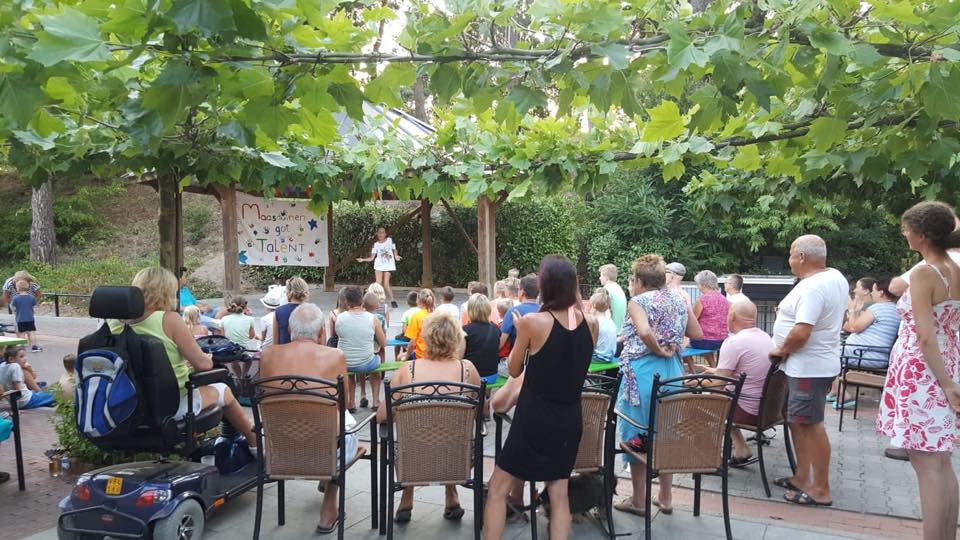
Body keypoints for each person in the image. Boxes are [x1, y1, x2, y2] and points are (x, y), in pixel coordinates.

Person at [484, 255, 599, 540]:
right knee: (559, 494)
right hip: (569, 417)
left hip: (534, 418)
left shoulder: (533, 322)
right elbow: (573, 351)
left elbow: (514, 369)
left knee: (497, 489)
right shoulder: (591, 323)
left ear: (546, 286)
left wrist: (522, 334)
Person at [877, 202, 960, 540]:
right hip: (947, 360)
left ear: (922, 235)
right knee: (941, 462)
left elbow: (926, 336)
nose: (905, 235)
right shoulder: (954, 267)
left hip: (923, 370)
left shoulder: (926, 272)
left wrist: (946, 384)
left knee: (926, 462)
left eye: (907, 230)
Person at [117, 267, 256, 446]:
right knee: (224, 390)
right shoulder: (169, 319)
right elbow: (203, 365)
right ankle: (256, 446)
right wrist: (207, 357)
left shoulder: (115, 323)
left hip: (129, 404)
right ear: (166, 291)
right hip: (170, 404)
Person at [614, 254, 703, 517]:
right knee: (667, 431)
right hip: (672, 372)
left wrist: (657, 348)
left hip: (642, 373)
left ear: (639, 280)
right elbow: (696, 333)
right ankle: (666, 497)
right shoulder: (678, 299)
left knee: (637, 436)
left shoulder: (638, 301)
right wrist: (672, 341)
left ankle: (639, 500)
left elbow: (643, 331)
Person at [376, 311, 482, 524]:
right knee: (450, 437)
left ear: (425, 337)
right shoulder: (467, 369)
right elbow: (483, 412)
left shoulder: (408, 370)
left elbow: (382, 417)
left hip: (412, 457)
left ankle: (407, 496)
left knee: (415, 440)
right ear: (456, 339)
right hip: (457, 457)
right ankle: (451, 494)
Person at [259, 302, 355, 535]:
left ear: (290, 330)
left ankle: (323, 475)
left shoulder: (268, 354)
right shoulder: (335, 355)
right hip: (323, 441)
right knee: (347, 429)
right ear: (322, 332)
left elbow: (263, 396)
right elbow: (344, 403)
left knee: (330, 424)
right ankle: (328, 507)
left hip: (280, 443)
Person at [768, 235, 848, 507]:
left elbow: (802, 332)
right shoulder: (835, 276)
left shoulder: (813, 287)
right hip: (812, 365)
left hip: (808, 368)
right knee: (797, 421)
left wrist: (781, 350)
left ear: (801, 257)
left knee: (811, 425)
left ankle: (821, 489)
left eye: (791, 254)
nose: (789, 260)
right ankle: (802, 477)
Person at [697, 300, 771, 466]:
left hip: (748, 411)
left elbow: (718, 384)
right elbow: (744, 372)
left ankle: (711, 459)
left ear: (732, 316)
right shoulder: (765, 337)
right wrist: (715, 371)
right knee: (721, 399)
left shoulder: (734, 342)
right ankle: (740, 448)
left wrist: (695, 383)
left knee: (699, 404)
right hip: (767, 409)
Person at [828, 278, 901, 408]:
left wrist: (853, 311)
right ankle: (835, 391)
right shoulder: (896, 309)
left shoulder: (878, 308)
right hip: (876, 354)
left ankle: (843, 395)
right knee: (834, 352)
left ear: (881, 292)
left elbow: (854, 327)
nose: (872, 293)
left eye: (874, 290)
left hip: (866, 354)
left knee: (827, 354)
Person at [336, 286, 386, 410]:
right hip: (367, 362)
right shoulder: (372, 318)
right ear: (362, 301)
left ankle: (351, 402)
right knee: (376, 364)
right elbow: (383, 343)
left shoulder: (340, 318)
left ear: (346, 302)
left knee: (350, 372)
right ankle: (375, 400)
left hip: (346, 363)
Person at [462, 293, 501, 416]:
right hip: (492, 375)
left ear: (470, 310)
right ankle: (485, 403)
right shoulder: (495, 329)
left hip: (472, 377)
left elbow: (460, 356)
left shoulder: (465, 330)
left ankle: (474, 407)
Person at [356, 226, 402, 308]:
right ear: (377, 234)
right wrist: (362, 260)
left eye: (382, 232)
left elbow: (394, 249)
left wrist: (396, 256)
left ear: (385, 234)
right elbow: (372, 258)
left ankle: (393, 301)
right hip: (379, 265)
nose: (381, 234)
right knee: (378, 283)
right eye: (379, 232)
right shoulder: (375, 245)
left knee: (386, 284)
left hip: (388, 265)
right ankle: (369, 294)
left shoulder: (390, 240)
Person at [691, 270, 730, 352]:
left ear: (704, 285)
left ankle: (690, 362)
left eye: (698, 284)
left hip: (705, 341)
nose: (697, 286)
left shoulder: (702, 300)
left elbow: (692, 320)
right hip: (723, 340)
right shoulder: (724, 299)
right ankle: (712, 361)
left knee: (682, 346)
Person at [499, 274, 541, 349]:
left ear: (522, 292)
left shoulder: (513, 312)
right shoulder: (544, 311)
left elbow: (500, 343)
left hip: (518, 353)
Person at [221, 296, 258, 380]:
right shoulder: (249, 319)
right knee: (249, 360)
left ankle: (238, 377)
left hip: (231, 350)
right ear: (246, 307)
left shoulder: (224, 319)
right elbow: (251, 336)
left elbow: (223, 337)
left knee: (234, 361)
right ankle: (243, 376)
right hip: (244, 349)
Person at [273, 276, 310, 346]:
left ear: (289, 292)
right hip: (309, 352)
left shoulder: (279, 312)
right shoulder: (315, 312)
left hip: (285, 351)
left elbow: (275, 343)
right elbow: (321, 344)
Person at [403, 289, 434, 360]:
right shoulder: (437, 315)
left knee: (400, 357)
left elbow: (412, 344)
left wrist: (406, 357)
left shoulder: (416, 316)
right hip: (435, 355)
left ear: (418, 301)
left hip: (421, 355)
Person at [12, 280, 41, 352]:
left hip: (20, 319)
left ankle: (20, 347)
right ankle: (34, 347)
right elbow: (34, 305)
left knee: (22, 333)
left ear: (18, 288)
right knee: (32, 332)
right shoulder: (31, 297)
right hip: (30, 318)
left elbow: (14, 308)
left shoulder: (15, 298)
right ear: (27, 287)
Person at [589, 289, 617, 362]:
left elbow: (591, 344)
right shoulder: (611, 322)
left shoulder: (596, 322)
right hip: (609, 357)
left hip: (598, 357)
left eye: (590, 306)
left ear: (594, 306)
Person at [599, 264, 627, 333]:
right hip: (619, 330)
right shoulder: (618, 288)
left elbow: (601, 310)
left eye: (601, 275)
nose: (600, 278)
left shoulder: (607, 289)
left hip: (611, 331)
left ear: (606, 277)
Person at [257, 285, 286, 349]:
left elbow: (263, 338)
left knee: (259, 344)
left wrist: (255, 336)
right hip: (281, 345)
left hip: (268, 347)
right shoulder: (283, 315)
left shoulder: (264, 319)